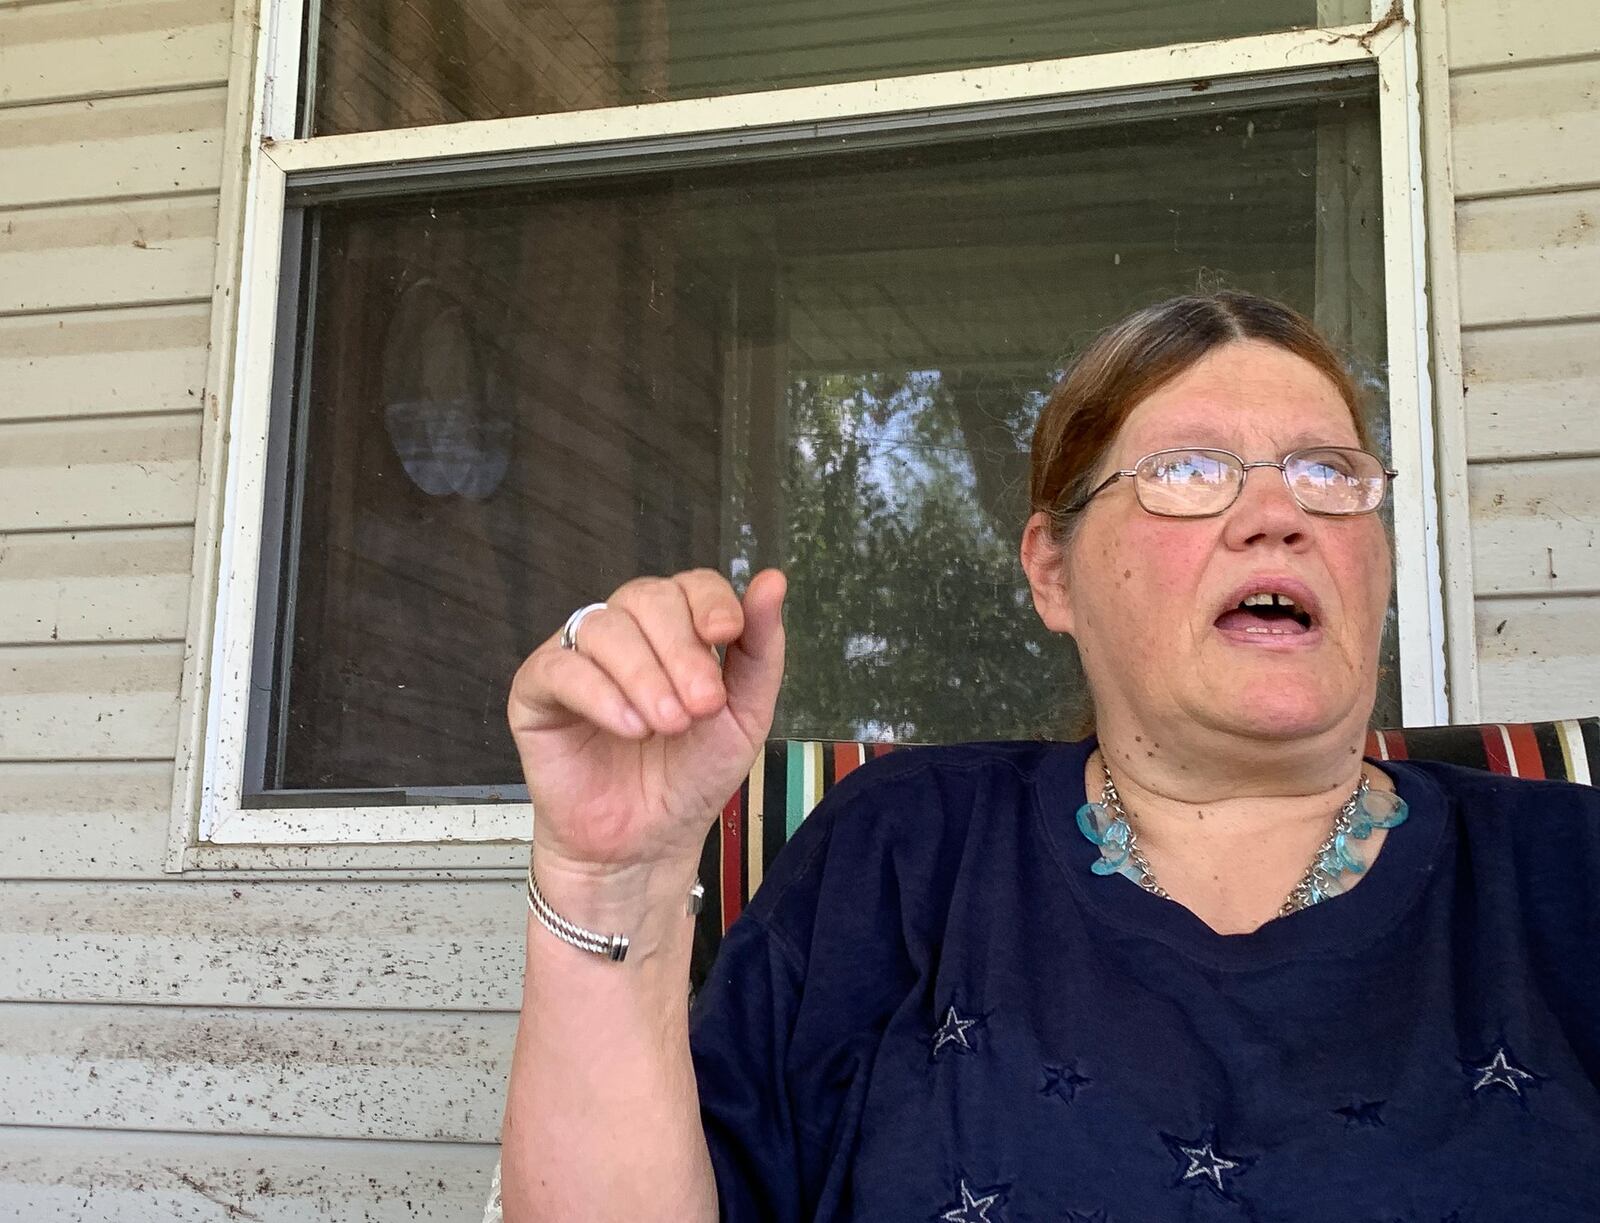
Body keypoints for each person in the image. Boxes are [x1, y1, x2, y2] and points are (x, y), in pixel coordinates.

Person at [495, 292, 1600, 1221]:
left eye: (1325, 472)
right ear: (1052, 571)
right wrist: (612, 877)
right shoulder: (901, 850)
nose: (1277, 514)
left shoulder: (1565, 869)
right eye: (1187, 469)